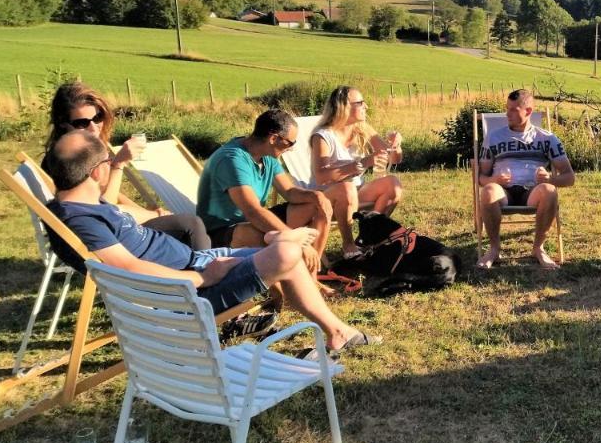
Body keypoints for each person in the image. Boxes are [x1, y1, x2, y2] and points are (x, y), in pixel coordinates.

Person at [42, 131, 378, 356]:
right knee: (289, 252)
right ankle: (291, 258)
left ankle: (335, 330)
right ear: (99, 171)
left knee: (288, 251)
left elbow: (123, 232)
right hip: (188, 292)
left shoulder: (77, 204)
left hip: (197, 261)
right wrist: (205, 278)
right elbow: (128, 270)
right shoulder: (81, 219)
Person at [45, 81, 210, 250]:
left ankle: (205, 267)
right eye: (82, 123)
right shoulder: (65, 162)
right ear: (63, 123)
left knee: (188, 224)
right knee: (191, 225)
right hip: (106, 234)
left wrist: (151, 213)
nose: (94, 128)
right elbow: (103, 209)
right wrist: (119, 164)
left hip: (116, 225)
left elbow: (110, 195)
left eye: (97, 118)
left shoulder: (87, 152)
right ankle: (207, 271)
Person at [196, 109, 333, 270]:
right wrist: (296, 240)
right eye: (290, 143)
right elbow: (253, 211)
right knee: (268, 237)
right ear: (273, 138)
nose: (291, 148)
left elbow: (289, 191)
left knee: (318, 206)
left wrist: (315, 196)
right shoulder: (232, 160)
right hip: (222, 231)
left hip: (252, 220)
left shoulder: (267, 155)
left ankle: (311, 276)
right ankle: (285, 285)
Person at [476, 88, 575, 269]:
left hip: (533, 191)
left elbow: (569, 177)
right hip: (503, 191)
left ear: (528, 111)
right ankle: (494, 249)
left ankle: (538, 248)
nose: (508, 114)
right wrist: (494, 180)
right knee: (488, 191)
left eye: (513, 110)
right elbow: (481, 178)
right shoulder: (493, 137)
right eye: (507, 108)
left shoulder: (547, 139)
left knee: (550, 191)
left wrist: (550, 179)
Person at [309, 85, 403, 257]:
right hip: (327, 196)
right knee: (346, 188)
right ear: (344, 107)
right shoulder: (322, 137)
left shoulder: (362, 128)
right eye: (360, 103)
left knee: (393, 184)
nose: (366, 106)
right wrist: (363, 162)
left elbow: (393, 159)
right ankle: (348, 245)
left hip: (355, 192)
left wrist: (395, 146)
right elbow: (321, 177)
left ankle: (370, 237)